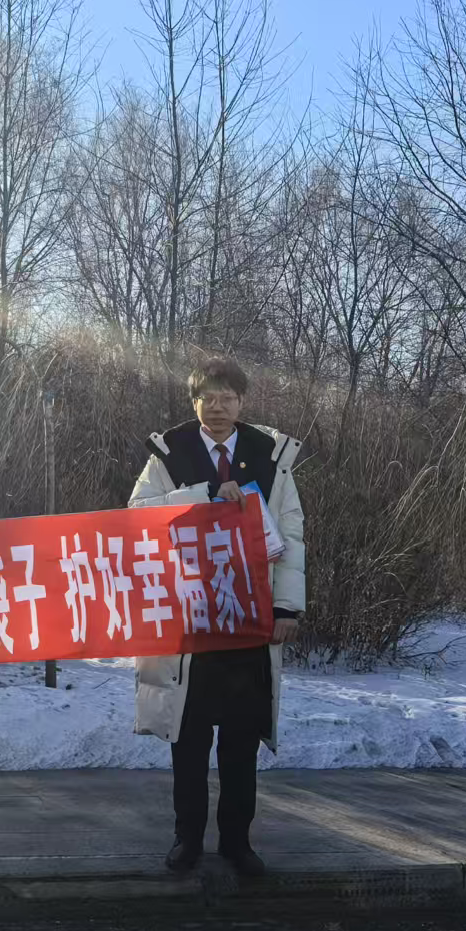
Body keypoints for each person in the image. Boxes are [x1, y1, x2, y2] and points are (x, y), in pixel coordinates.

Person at [127, 358, 305, 877]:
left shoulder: (270, 456)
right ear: (194, 402)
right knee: (189, 738)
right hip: (191, 622)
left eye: (228, 397)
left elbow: (291, 535)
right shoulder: (171, 453)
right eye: (208, 397)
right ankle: (187, 838)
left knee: (241, 741)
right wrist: (203, 495)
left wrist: (287, 606)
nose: (218, 406)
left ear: (242, 402)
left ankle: (237, 842)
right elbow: (139, 517)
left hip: (250, 622)